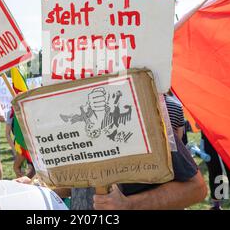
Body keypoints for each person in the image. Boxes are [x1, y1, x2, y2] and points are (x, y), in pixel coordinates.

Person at [16, 88, 207, 210]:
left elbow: (196, 188)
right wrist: (38, 187)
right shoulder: (74, 131)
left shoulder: (146, 123)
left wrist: (129, 205)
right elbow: (76, 184)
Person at [201, 131, 230, 210]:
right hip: (210, 139)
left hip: (228, 137)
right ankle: (217, 206)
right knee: (215, 172)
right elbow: (198, 125)